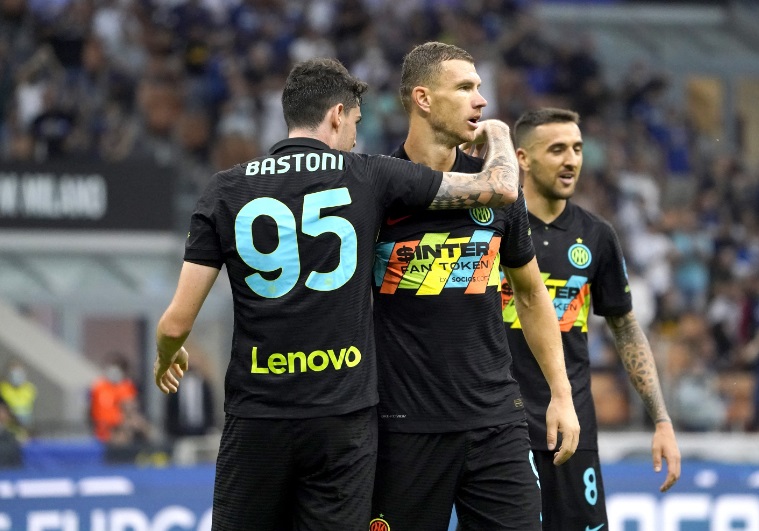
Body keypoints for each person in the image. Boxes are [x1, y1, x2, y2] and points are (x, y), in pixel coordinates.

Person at [153, 57, 521, 531]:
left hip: (258, 415)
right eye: (355, 124)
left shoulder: (225, 188)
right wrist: (500, 135)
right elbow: (500, 187)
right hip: (342, 417)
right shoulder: (367, 174)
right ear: (336, 115)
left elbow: (175, 323)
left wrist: (168, 354)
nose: (355, 138)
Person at [370, 42, 579, 531]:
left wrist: (561, 393)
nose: (481, 100)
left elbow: (530, 294)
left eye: (479, 87)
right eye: (465, 88)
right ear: (423, 99)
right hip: (405, 429)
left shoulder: (498, 191)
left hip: (495, 424)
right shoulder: (377, 190)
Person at [503, 107, 681, 530]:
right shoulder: (495, 227)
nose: (571, 160)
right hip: (503, 425)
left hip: (573, 426)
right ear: (523, 158)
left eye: (578, 149)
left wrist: (661, 420)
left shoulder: (597, 235)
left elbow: (625, 328)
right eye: (557, 149)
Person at [89, 353, 138, 443]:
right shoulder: (99, 386)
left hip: (116, 429)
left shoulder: (124, 387)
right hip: (103, 431)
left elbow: (129, 407)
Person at [0, 359, 37, 438]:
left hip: (24, 426)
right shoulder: (2, 388)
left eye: (19, 372)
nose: (16, 376)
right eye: (13, 372)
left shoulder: (29, 389)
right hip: (6, 426)